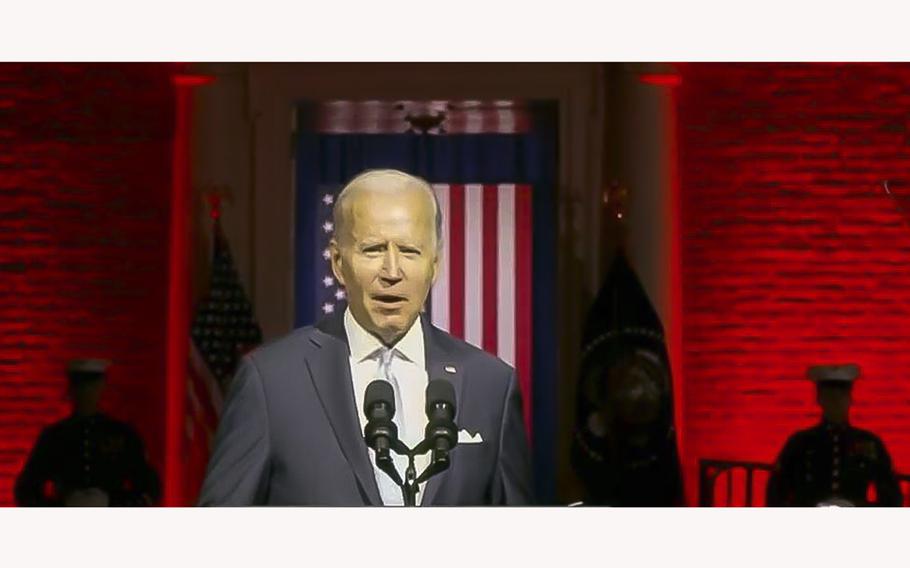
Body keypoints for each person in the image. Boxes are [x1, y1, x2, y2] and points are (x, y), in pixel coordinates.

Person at [198, 169, 533, 506]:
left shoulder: (491, 386)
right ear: (339, 263)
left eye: (410, 251)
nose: (391, 272)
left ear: (435, 264)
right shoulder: (271, 382)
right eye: (373, 250)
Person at [14, 359, 161, 506]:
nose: (86, 392)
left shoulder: (122, 434)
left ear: (102, 386)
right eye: (81, 386)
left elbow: (147, 486)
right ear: (71, 389)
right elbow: (27, 488)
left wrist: (116, 504)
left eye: (92, 385)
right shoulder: (54, 437)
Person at [766, 363, 902, 507]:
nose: (835, 402)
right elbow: (776, 493)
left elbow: (891, 495)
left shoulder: (869, 442)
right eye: (829, 396)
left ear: (850, 399)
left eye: (841, 396)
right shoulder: (800, 442)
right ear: (819, 399)